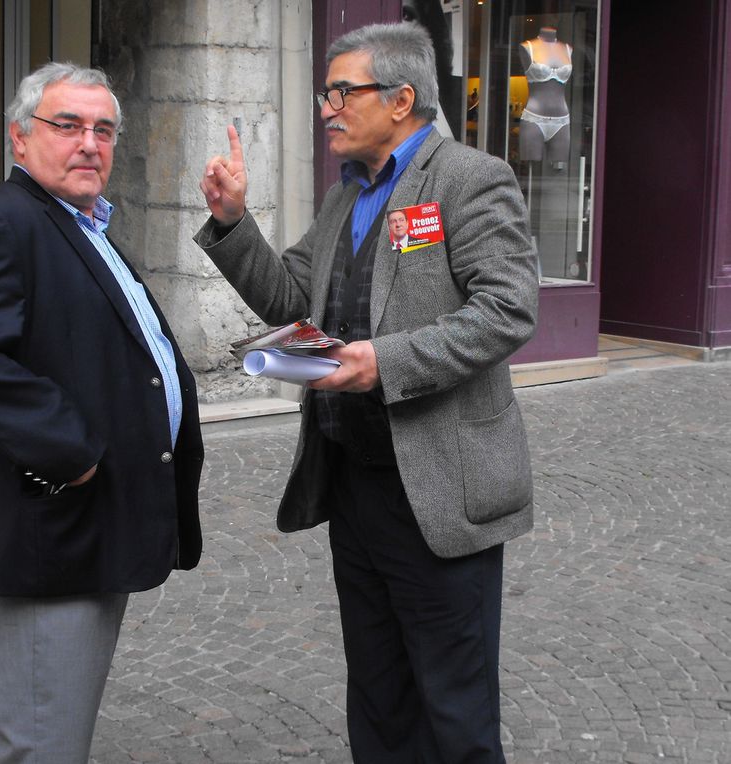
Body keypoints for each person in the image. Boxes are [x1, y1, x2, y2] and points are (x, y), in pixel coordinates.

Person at [196, 22, 538, 763]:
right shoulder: (342, 197)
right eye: (326, 93)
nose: (327, 108)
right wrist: (232, 221)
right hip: (354, 483)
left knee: (455, 707)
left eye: (342, 92)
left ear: (402, 99)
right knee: (378, 696)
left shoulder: (469, 180)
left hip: (441, 488)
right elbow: (290, 296)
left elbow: (508, 308)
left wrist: (385, 362)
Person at [0, 62, 204, 764]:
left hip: (95, 531)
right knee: (41, 743)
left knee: (58, 734)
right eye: (67, 125)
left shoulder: (84, 225)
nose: (89, 142)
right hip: (53, 533)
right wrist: (73, 453)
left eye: (103, 129)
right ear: (20, 139)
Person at [518, 26, 573, 162]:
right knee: (530, 172)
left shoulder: (567, 49)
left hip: (562, 120)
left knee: (559, 172)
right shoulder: (528, 47)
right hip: (534, 118)